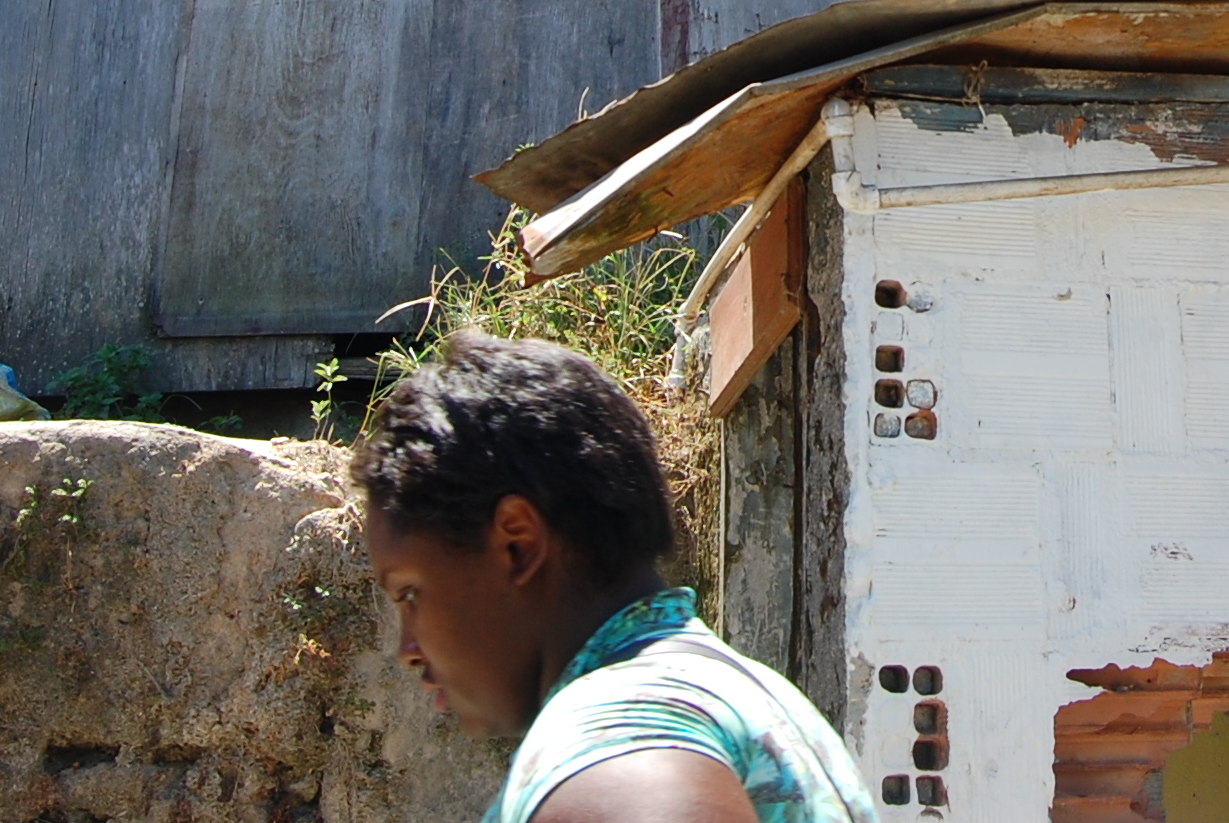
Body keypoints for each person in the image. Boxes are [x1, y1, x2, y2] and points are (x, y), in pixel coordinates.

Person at [352, 331, 880, 823]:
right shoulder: (753, 697)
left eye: (410, 593)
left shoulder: (624, 724)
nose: (408, 648)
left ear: (517, 544)